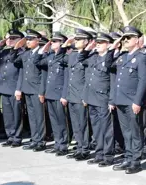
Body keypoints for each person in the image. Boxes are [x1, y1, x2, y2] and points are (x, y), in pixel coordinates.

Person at [111, 26, 146, 174]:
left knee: (135, 131)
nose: (125, 41)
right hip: (121, 100)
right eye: (124, 38)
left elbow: (143, 80)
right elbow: (110, 65)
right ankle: (128, 157)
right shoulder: (122, 57)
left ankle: (135, 160)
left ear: (137, 40)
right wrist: (114, 46)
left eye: (128, 38)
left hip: (132, 101)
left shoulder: (141, 57)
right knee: (126, 131)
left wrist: (137, 101)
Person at [83, 32, 116, 167]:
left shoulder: (110, 59)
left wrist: (112, 100)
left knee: (106, 129)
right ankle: (99, 153)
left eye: (101, 43)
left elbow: (113, 82)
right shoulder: (93, 57)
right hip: (91, 98)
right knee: (96, 128)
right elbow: (81, 58)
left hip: (103, 98)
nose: (97, 45)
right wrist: (88, 47)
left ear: (107, 44)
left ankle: (108, 156)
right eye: (97, 43)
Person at [12, 29, 47, 152]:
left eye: (30, 39)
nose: (28, 41)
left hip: (37, 89)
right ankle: (35, 139)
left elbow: (43, 75)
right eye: (27, 39)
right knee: (31, 116)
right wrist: (16, 47)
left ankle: (41, 141)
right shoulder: (26, 54)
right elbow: (15, 61)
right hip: (27, 89)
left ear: (38, 40)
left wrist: (42, 92)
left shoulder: (42, 53)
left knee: (39, 116)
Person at [36, 32, 69, 156]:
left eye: (55, 41)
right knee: (54, 120)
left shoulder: (64, 57)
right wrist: (44, 48)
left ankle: (64, 145)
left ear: (62, 43)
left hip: (60, 94)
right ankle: (57, 143)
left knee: (62, 120)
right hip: (50, 93)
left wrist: (64, 95)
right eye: (52, 41)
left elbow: (66, 78)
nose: (52, 43)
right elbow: (37, 62)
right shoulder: (50, 56)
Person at [64, 28, 93, 161]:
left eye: (79, 39)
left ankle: (85, 149)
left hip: (81, 96)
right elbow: (60, 58)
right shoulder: (72, 55)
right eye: (75, 39)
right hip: (71, 95)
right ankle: (79, 147)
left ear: (87, 41)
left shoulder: (89, 55)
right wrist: (65, 44)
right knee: (75, 124)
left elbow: (88, 79)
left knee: (83, 124)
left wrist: (85, 96)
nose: (76, 41)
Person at [0, 29, 25, 148]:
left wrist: (19, 88)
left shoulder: (22, 53)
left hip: (14, 88)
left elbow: (22, 72)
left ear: (20, 40)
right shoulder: (4, 52)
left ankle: (17, 137)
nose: (10, 40)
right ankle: (10, 136)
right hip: (4, 87)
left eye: (13, 38)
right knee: (7, 114)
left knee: (17, 113)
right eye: (9, 38)